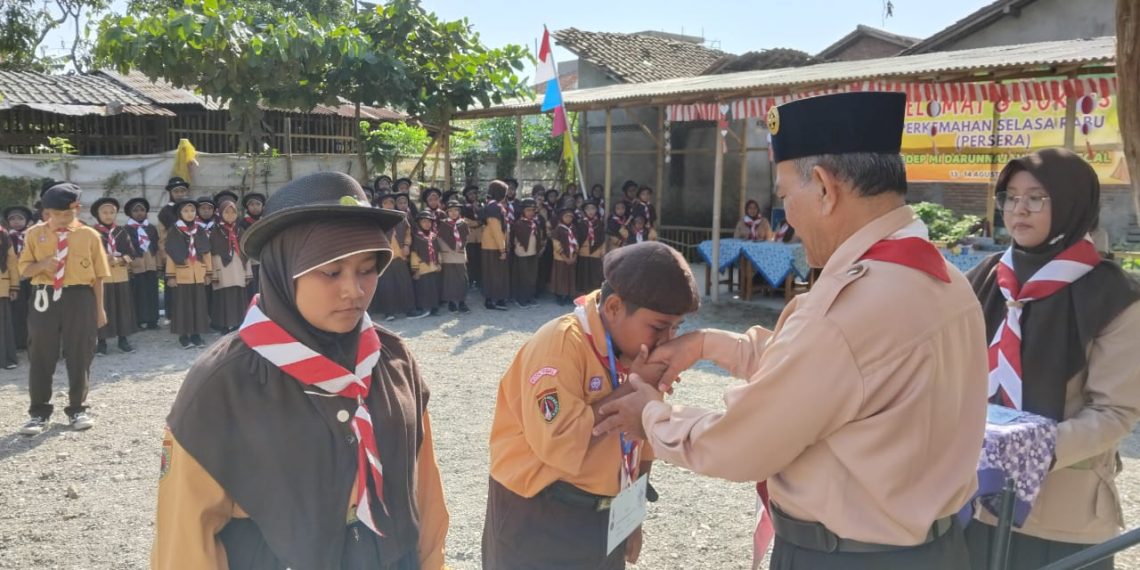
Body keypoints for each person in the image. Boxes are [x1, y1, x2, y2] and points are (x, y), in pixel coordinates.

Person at [593, 92, 988, 570]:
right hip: (936, 550)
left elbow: (741, 443)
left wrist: (653, 416)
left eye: (784, 198)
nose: (788, 220)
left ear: (823, 187)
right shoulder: (944, 281)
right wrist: (707, 345)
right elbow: (831, 381)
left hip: (850, 558)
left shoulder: (849, 311)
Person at [152, 171, 448, 569]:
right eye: (331, 271)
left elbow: (422, 490)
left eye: (367, 268)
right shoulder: (225, 383)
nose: (354, 290)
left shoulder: (391, 360)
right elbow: (186, 540)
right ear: (281, 269)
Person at [963, 149, 1140, 570]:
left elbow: (1115, 412)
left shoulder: (1113, 296)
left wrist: (1024, 451)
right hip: (972, 501)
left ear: (1072, 203)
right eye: (1011, 196)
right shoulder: (987, 277)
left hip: (1061, 519)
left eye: (1037, 198)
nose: (1019, 209)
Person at [482, 240, 701, 569]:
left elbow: (643, 446)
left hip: (607, 517)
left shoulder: (638, 355)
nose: (668, 341)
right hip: (538, 516)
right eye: (659, 327)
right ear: (613, 307)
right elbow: (559, 441)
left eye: (676, 327)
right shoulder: (560, 344)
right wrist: (632, 390)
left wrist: (633, 519)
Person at [18, 183, 109, 435]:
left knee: (80, 351)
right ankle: (38, 413)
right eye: (56, 214)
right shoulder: (35, 234)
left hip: (79, 296)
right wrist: (45, 263)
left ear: (77, 209)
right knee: (40, 353)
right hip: (44, 296)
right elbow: (24, 270)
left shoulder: (89, 235)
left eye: (67, 214)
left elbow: (99, 276)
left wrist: (99, 309)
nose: (61, 219)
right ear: (47, 212)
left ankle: (78, 408)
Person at [90, 197, 137, 355]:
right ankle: (102, 341)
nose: (108, 215)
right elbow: (88, 254)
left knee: (122, 307)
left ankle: (123, 339)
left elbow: (131, 253)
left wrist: (120, 259)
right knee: (103, 307)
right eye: (105, 212)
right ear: (97, 214)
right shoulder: (92, 233)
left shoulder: (122, 232)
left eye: (112, 212)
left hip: (120, 274)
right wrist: (103, 259)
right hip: (102, 277)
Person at [166, 199, 213, 349]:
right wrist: (171, 275)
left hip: (198, 273)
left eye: (192, 210)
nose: (190, 213)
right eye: (186, 211)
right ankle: (183, 336)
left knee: (198, 305)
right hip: (182, 275)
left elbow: (206, 253)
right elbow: (171, 254)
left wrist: (208, 272)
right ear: (180, 213)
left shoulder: (199, 230)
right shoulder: (174, 230)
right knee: (183, 306)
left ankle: (196, 335)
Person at [373, 194, 421, 321]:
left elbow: (407, 233)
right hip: (385, 257)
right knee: (387, 285)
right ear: (381, 205)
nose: (389, 205)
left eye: (391, 202)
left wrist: (406, 245)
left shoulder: (401, 217)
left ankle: (410, 310)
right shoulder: (377, 219)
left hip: (400, 256)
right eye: (386, 203)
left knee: (405, 283)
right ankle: (389, 312)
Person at [209, 196, 251, 334]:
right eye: (226, 212)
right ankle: (224, 324)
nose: (230, 215)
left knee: (238, 295)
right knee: (224, 297)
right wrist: (214, 273)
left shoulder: (240, 231)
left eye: (233, 212)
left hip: (238, 270)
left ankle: (239, 322)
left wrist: (248, 271)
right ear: (220, 213)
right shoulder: (215, 231)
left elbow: (246, 252)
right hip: (223, 269)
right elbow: (212, 254)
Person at [125, 198, 161, 330]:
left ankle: (153, 320)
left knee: (152, 293)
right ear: (129, 213)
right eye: (135, 210)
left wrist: (158, 265)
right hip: (136, 266)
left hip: (151, 265)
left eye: (142, 210)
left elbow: (156, 247)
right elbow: (126, 250)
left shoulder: (151, 228)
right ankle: (138, 321)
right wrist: (129, 268)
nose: (139, 213)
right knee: (137, 294)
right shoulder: (126, 230)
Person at [5, 205, 34, 349]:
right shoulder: (7, 237)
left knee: (34, 309)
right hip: (15, 278)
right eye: (12, 219)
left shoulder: (32, 235)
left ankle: (33, 339)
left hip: (32, 277)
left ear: (27, 220)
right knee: (17, 310)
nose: (16, 222)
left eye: (20, 218)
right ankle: (20, 341)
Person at [481, 181, 511, 311]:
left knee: (490, 273)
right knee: (496, 274)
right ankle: (495, 300)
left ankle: (490, 298)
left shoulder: (490, 205)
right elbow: (496, 230)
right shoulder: (495, 207)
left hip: (489, 244)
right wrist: (502, 249)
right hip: (494, 246)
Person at [438, 200, 471, 314]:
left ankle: (462, 301)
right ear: (447, 212)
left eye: (456, 210)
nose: (453, 213)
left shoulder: (464, 224)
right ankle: (451, 302)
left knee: (462, 279)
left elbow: (466, 238)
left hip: (460, 254)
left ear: (459, 211)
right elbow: (440, 239)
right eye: (451, 211)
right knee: (449, 279)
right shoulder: (443, 224)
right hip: (448, 254)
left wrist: (462, 248)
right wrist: (443, 254)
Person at [510, 198, 544, 307]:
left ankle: (530, 297)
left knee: (532, 276)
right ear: (523, 211)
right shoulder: (518, 224)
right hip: (522, 253)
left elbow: (539, 237)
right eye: (528, 210)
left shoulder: (535, 223)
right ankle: (521, 298)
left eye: (532, 210)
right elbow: (513, 239)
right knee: (522, 276)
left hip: (533, 253)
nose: (530, 213)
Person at [409, 211, 443, 317]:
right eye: (423, 221)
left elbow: (438, 251)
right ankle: (424, 307)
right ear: (419, 223)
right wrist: (416, 270)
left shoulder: (434, 236)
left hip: (433, 266)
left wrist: (439, 263)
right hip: (422, 268)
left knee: (434, 288)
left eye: (429, 221)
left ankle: (434, 307)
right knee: (423, 288)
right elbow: (414, 254)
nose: (427, 224)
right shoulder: (417, 237)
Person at [239, 193, 265, 302]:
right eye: (252, 204)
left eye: (258, 204)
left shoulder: (267, 220)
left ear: (263, 206)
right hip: (251, 262)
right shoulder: (242, 223)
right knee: (253, 290)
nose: (255, 207)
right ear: (247, 207)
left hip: (265, 260)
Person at [550, 206, 579, 306]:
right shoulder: (558, 229)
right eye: (566, 216)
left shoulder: (573, 228)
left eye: (571, 217)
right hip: (561, 258)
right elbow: (556, 244)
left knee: (569, 276)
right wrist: (565, 257)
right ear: (561, 217)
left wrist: (574, 255)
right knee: (560, 276)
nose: (569, 218)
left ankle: (568, 294)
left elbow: (576, 242)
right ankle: (559, 295)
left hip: (571, 256)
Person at [577, 200, 606, 294]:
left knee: (595, 274)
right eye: (588, 209)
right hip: (583, 251)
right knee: (584, 273)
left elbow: (603, 238)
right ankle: (583, 293)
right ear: (584, 210)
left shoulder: (599, 223)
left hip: (596, 252)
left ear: (596, 210)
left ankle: (595, 293)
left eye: (593, 208)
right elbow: (577, 238)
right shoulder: (581, 223)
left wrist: (603, 251)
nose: (590, 211)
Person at [0, 227, 18, 369]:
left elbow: (12, 263)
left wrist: (14, 286)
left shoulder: (3, 235)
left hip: (2, 287)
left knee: (3, 325)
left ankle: (7, 359)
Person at [462, 185, 483, 291]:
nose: (473, 196)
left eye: (474, 193)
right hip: (469, 238)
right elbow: (465, 221)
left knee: (479, 259)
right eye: (470, 194)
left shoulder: (481, 206)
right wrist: (477, 223)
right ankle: (470, 281)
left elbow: (484, 219)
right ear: (466, 195)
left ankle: (478, 280)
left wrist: (478, 209)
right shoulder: (464, 207)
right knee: (470, 259)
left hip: (480, 238)